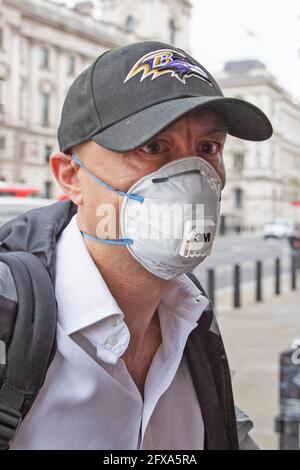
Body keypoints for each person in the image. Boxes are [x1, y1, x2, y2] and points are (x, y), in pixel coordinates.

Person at [1, 41, 272, 450]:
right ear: (71, 176)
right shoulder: (12, 321)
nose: (192, 175)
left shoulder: (193, 320)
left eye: (208, 148)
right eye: (153, 147)